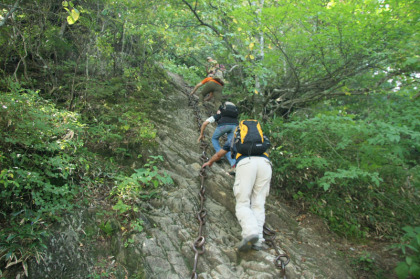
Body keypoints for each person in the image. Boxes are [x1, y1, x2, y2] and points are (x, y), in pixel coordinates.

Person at [201, 124, 272, 252]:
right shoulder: (262, 139)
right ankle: (259, 240)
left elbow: (219, 155)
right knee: (258, 203)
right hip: (265, 165)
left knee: (243, 203)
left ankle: (250, 232)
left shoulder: (236, 138)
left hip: (246, 164)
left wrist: (210, 162)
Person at [197, 102, 238, 174]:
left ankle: (219, 154)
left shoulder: (220, 115)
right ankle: (233, 165)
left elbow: (204, 123)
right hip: (235, 126)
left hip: (223, 126)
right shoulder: (235, 117)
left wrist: (201, 134)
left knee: (214, 139)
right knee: (230, 146)